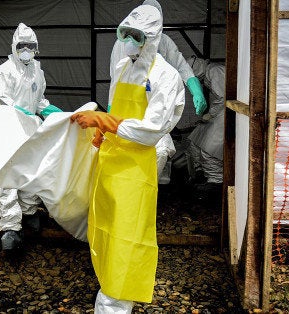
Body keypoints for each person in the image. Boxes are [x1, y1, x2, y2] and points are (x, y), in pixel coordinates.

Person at [70, 4, 185, 312]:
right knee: (104, 229)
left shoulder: (165, 75)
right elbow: (115, 106)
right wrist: (102, 132)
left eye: (136, 35)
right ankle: (108, 288)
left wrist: (105, 122)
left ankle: (116, 304)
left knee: (127, 236)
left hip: (135, 168)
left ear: (152, 37)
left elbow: (151, 129)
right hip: (110, 161)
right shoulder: (122, 66)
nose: (130, 40)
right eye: (126, 34)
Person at [110, 0, 206, 184]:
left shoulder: (164, 66)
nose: (131, 42)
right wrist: (110, 116)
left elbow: (181, 66)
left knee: (160, 150)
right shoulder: (121, 52)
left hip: (149, 109)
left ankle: (149, 185)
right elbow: (116, 82)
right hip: (125, 112)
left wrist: (196, 89)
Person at [0, 22, 62, 251]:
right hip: (8, 132)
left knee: (31, 172)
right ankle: (10, 227)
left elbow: (40, 100)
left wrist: (53, 113)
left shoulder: (36, 71)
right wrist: (25, 113)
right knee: (8, 178)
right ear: (14, 46)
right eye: (23, 45)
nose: (27, 49)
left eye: (31, 46)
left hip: (29, 130)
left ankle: (29, 211)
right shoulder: (5, 71)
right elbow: (4, 102)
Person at [186, 56, 225, 201]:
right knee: (195, 140)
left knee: (209, 149)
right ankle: (200, 174)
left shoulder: (215, 71)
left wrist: (210, 114)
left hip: (225, 113)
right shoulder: (210, 73)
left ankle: (216, 183)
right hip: (219, 113)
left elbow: (223, 97)